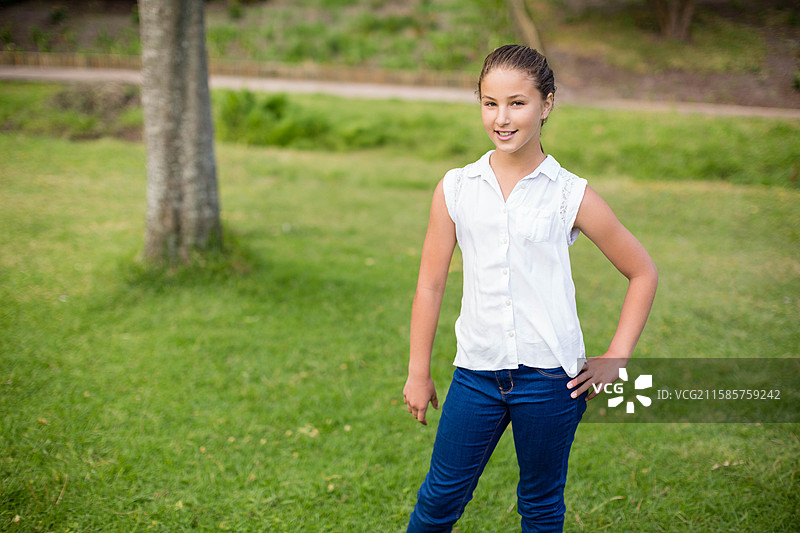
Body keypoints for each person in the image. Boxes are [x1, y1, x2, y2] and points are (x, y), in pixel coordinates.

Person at [402, 44, 658, 532]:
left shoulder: (570, 193)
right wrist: (419, 371)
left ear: (548, 103)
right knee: (439, 499)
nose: (502, 117)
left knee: (540, 507)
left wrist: (618, 355)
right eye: (489, 103)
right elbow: (430, 284)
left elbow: (642, 271)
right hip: (475, 376)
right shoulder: (456, 188)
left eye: (517, 103)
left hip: (550, 382)